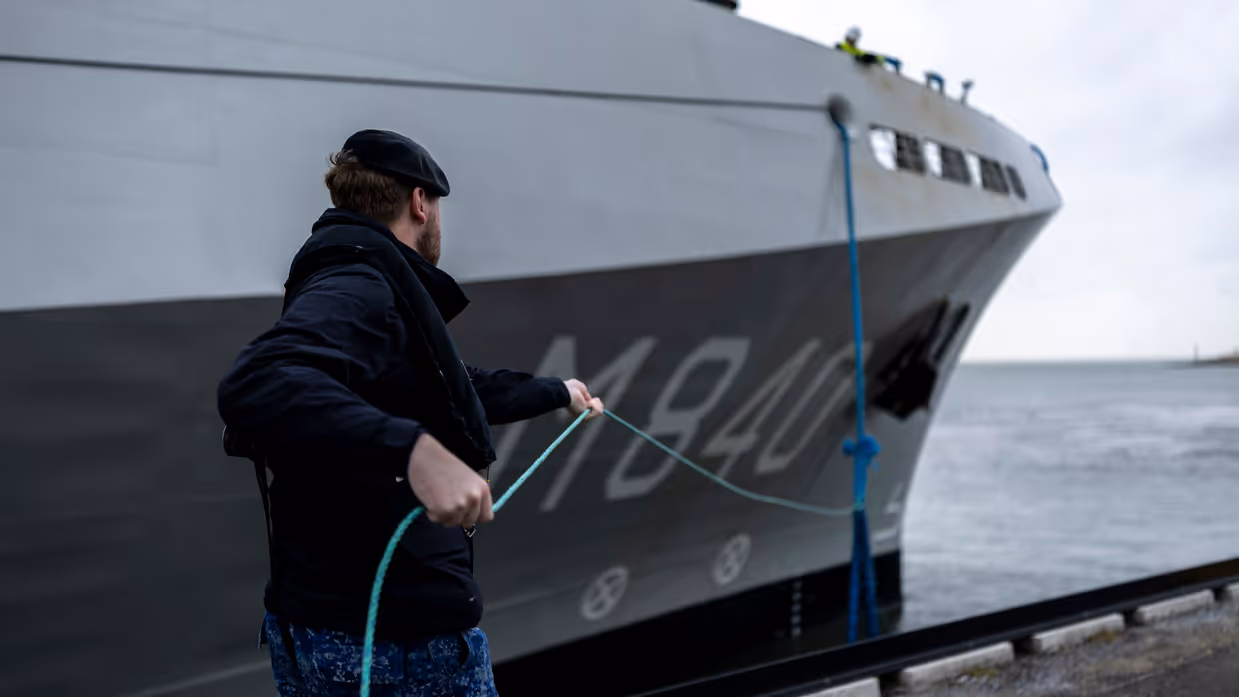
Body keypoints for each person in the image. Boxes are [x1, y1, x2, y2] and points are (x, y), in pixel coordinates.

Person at [217, 128, 604, 696]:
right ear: (420, 202)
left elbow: (446, 387)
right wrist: (417, 451)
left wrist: (558, 392)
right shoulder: (361, 281)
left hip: (338, 625)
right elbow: (264, 379)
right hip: (390, 646)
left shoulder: (355, 277)